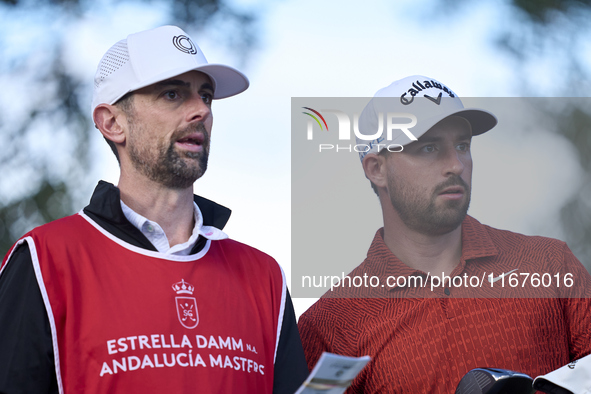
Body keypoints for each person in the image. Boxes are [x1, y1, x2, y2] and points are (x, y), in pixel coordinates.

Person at [0, 25, 308, 393]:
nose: (201, 111)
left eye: (206, 96)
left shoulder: (264, 276)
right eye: (173, 94)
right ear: (113, 123)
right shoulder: (45, 259)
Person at [297, 75, 591, 393]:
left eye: (462, 145)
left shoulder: (549, 263)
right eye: (428, 147)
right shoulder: (330, 325)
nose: (456, 164)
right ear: (377, 169)